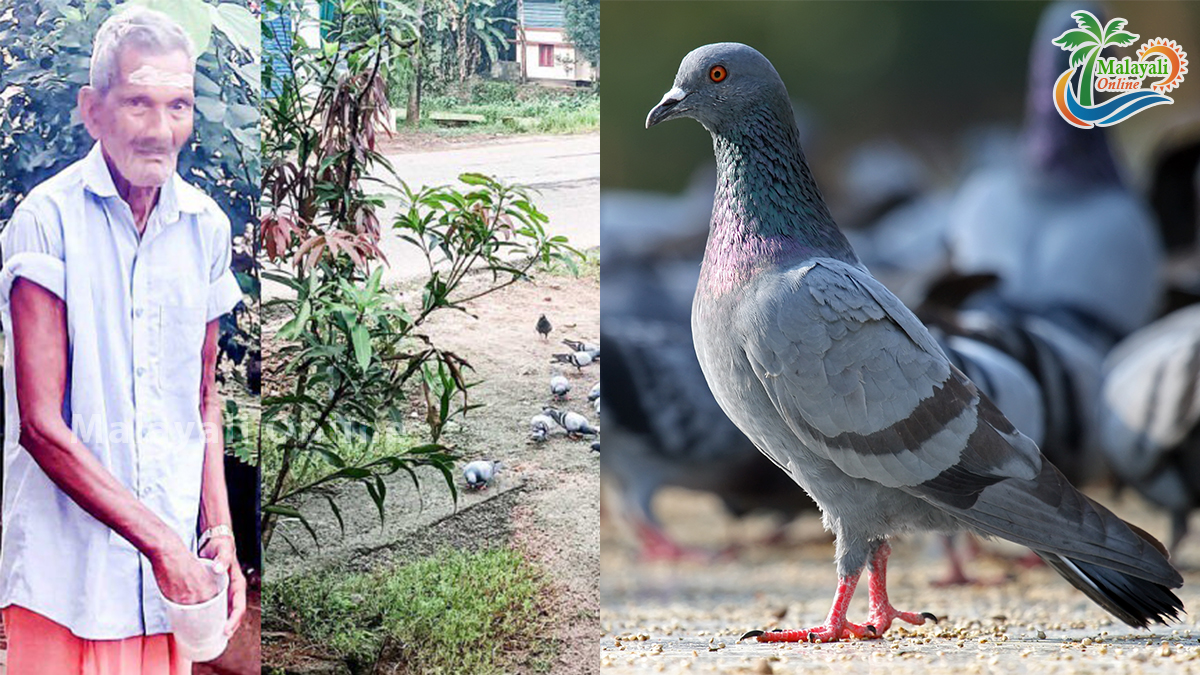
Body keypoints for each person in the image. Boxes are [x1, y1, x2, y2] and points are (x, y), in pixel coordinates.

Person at [0, 8, 247, 673]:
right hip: (67, 580)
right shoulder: (45, 224)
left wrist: (215, 531)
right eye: (139, 103)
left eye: (178, 106)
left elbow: (202, 400)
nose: (161, 129)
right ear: (93, 110)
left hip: (169, 593)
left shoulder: (205, 229)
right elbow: (41, 425)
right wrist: (165, 544)